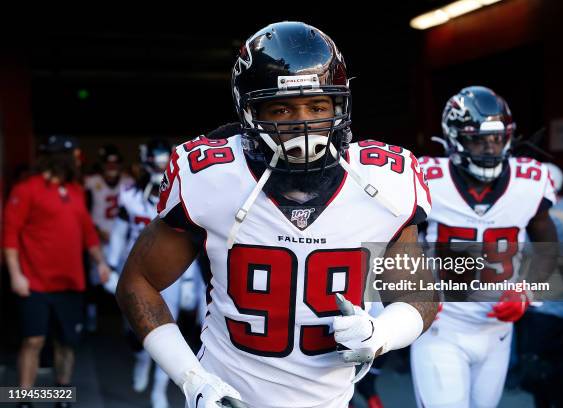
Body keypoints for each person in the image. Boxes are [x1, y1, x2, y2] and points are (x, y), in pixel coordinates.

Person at [116, 21, 436, 408]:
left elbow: (420, 296)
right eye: (282, 108)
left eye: (317, 106)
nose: (303, 125)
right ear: (249, 111)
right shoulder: (213, 177)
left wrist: (382, 332)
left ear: (340, 105)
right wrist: (192, 379)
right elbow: (138, 282)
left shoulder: (384, 183)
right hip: (226, 396)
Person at [412, 86, 558, 408]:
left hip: (498, 332)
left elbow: (549, 246)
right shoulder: (425, 178)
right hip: (441, 326)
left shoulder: (530, 182)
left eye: (496, 138)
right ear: (454, 138)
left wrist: (527, 290)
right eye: (478, 139)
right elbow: (396, 245)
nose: (490, 148)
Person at [3, 135, 111, 408]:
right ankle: (24, 398)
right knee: (34, 340)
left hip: (71, 283)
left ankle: (61, 395)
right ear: (59, 158)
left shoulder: (74, 190)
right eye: (74, 155)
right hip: (35, 282)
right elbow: (10, 235)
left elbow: (88, 233)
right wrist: (16, 275)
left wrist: (100, 262)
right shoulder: (26, 189)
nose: (78, 160)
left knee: (67, 342)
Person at [104, 139, 204, 408]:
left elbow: (190, 242)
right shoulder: (129, 196)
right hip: (135, 270)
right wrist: (111, 266)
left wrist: (190, 281)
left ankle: (159, 389)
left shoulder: (183, 195)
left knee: (168, 329)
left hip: (173, 273)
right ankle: (140, 359)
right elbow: (118, 234)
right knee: (134, 329)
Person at [83, 144, 133, 331]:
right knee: (95, 280)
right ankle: (91, 315)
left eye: (115, 163)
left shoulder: (128, 183)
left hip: (121, 240)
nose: (111, 167)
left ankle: (127, 320)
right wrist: (95, 229)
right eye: (108, 163)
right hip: (98, 238)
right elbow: (83, 211)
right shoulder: (91, 182)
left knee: (125, 281)